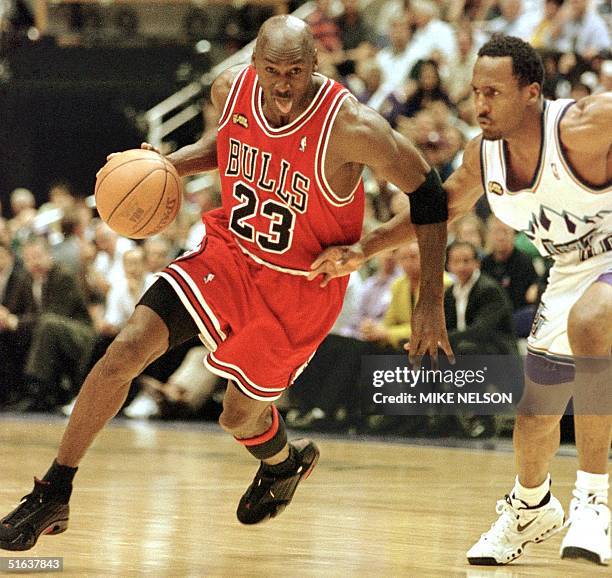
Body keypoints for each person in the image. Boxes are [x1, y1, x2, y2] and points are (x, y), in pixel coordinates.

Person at [0, 15, 451, 551]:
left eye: (296, 70)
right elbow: (225, 144)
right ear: (253, 64)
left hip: (298, 288)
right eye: (272, 70)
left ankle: (283, 464)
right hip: (228, 256)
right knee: (124, 351)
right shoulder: (228, 88)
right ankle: (55, 491)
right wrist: (164, 166)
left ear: (316, 64)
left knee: (237, 416)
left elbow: (430, 194)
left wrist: (429, 302)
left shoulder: (352, 127)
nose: (283, 83)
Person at [310, 34, 611, 566]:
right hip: (571, 267)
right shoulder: (482, 155)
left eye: (494, 92)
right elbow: (438, 208)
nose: (480, 104)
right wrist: (365, 247)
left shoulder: (587, 124)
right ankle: (531, 507)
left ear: (532, 94)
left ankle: (594, 498)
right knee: (536, 414)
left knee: (594, 319)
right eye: (475, 91)